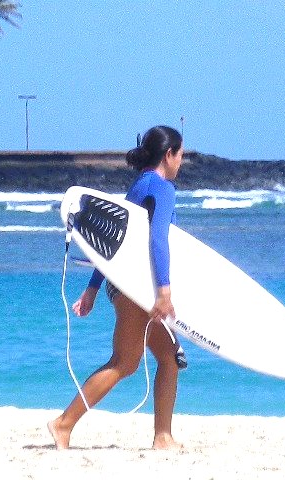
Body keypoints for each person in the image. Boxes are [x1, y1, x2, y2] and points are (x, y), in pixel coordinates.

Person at [48, 125, 186, 450]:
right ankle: (63, 424)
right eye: (181, 155)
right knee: (124, 362)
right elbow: (158, 239)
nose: (181, 162)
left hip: (122, 285)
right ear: (169, 155)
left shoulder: (138, 186)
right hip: (139, 289)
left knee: (168, 357)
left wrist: (93, 289)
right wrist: (164, 291)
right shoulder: (163, 188)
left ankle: (163, 436)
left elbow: (113, 242)